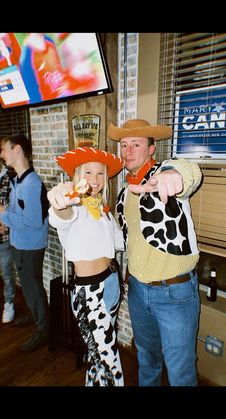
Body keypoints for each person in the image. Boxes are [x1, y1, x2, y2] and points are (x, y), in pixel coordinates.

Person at [107, 118, 203, 386]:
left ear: (152, 148)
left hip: (174, 293)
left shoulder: (164, 177)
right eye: (124, 145)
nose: (127, 151)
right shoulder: (124, 194)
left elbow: (189, 171)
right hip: (138, 290)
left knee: (180, 371)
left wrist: (173, 174)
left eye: (136, 144)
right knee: (146, 360)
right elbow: (129, 241)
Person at [47, 147, 124, 386]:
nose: (95, 179)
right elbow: (61, 215)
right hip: (89, 295)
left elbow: (119, 242)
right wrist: (60, 199)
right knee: (111, 364)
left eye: (100, 173)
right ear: (77, 176)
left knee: (97, 358)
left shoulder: (102, 207)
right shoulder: (76, 204)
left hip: (111, 284)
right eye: (88, 172)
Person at [0, 133, 49, 352]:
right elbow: (17, 211)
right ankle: (35, 314)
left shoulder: (31, 183)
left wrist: (3, 215)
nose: (1, 154)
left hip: (30, 245)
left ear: (17, 149)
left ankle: (44, 329)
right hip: (20, 243)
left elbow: (33, 223)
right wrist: (6, 219)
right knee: (29, 286)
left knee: (33, 286)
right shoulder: (18, 180)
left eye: (4, 149)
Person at [0, 158, 17, 323]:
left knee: (6, 272)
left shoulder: (11, 176)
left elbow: (14, 205)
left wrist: (5, 219)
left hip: (4, 236)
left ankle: (9, 302)